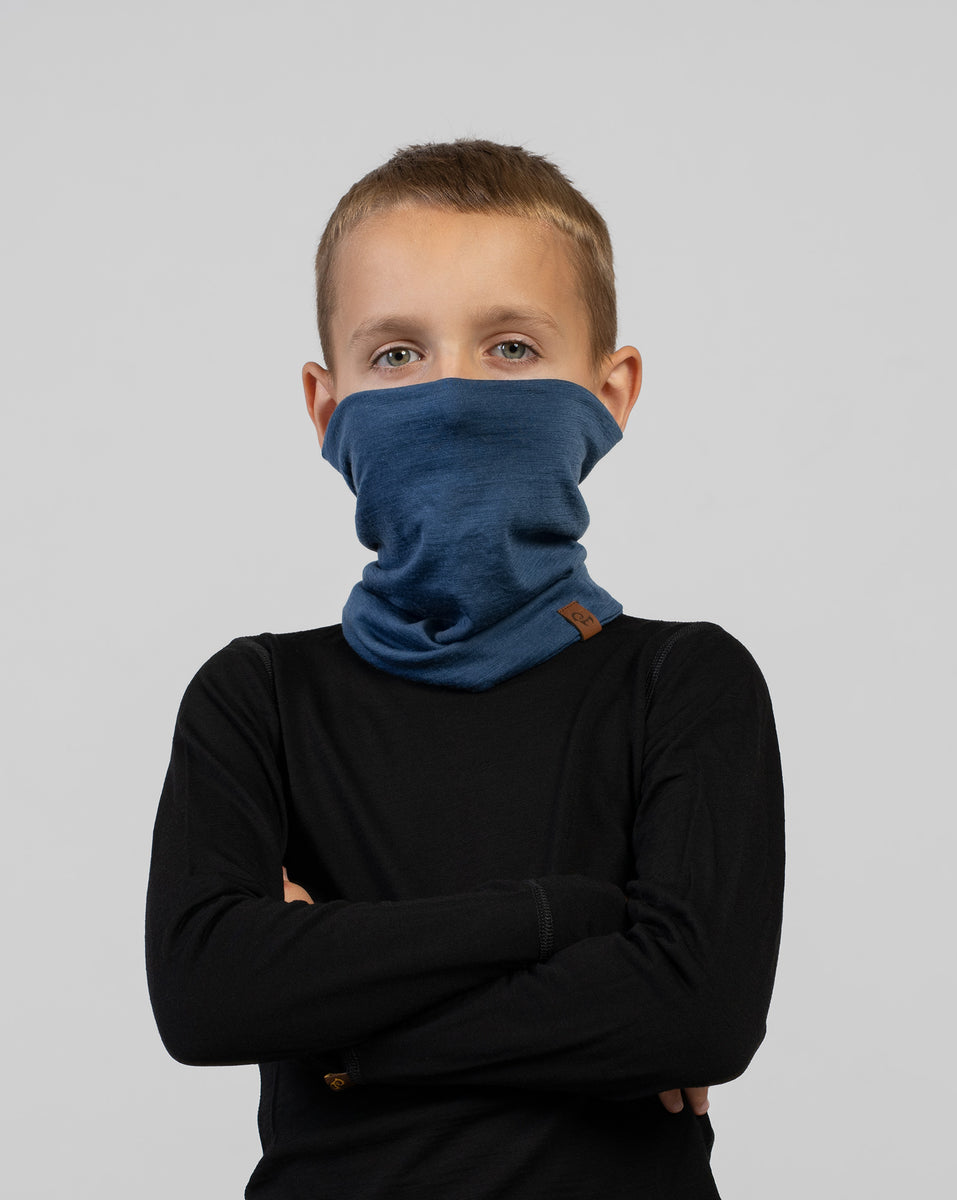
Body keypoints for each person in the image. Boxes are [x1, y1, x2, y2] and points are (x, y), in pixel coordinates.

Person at [145, 138, 785, 1199]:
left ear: (612, 390)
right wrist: (568, 915)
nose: (450, 397)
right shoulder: (256, 698)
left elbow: (696, 1014)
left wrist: (340, 1034)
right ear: (326, 407)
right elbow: (208, 998)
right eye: (397, 354)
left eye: (511, 348)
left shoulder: (684, 683)